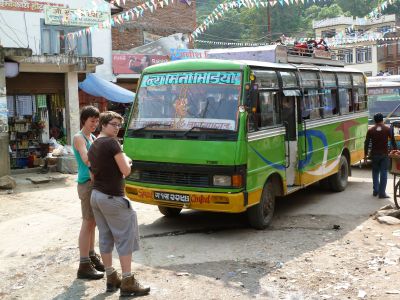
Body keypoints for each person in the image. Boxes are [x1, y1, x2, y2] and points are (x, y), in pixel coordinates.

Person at [88, 111, 150, 296]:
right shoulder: (111, 143)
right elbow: (125, 170)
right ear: (104, 124)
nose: (117, 128)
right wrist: (128, 162)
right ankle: (128, 281)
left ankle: (111, 277)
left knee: (106, 237)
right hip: (112, 197)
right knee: (125, 239)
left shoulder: (94, 144)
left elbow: (92, 173)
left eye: (119, 125)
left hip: (97, 196)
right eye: (113, 124)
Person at [72, 106, 104, 280]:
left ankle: (91, 256)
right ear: (84, 120)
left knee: (93, 223)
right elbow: (86, 159)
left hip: (94, 183)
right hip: (86, 184)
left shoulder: (92, 137)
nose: (95, 124)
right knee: (87, 223)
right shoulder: (79, 137)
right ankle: (83, 264)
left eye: (97, 121)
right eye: (92, 121)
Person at [364, 113, 397, 198]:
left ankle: (376, 190)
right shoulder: (387, 129)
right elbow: (393, 140)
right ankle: (382, 193)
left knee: (375, 172)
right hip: (384, 155)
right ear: (382, 119)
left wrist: (365, 155)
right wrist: (396, 150)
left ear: (374, 120)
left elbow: (366, 143)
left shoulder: (370, 130)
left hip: (374, 155)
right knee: (383, 173)